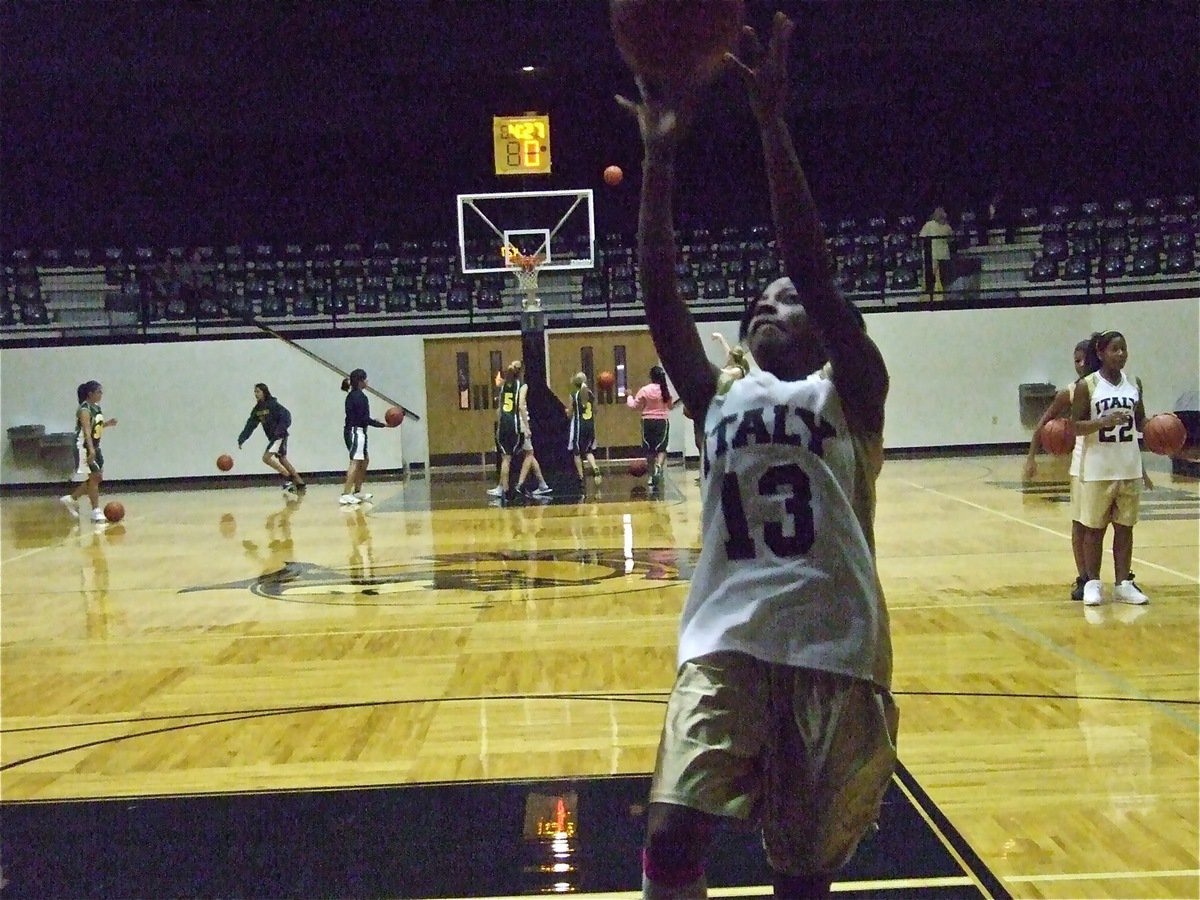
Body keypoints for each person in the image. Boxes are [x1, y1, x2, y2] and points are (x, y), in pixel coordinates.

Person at [618, 12, 897, 897]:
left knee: (802, 875)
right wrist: (660, 157)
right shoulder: (720, 397)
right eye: (756, 302)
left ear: (825, 322)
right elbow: (660, 296)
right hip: (725, 642)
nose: (769, 303)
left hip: (832, 646)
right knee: (670, 836)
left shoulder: (850, 389)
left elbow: (810, 267)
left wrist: (771, 121)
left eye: (788, 297)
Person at [1070, 330, 1151, 607]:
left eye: (1124, 349)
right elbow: (1075, 426)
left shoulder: (1134, 385)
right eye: (1115, 349)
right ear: (1101, 353)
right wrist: (1102, 423)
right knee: (1094, 529)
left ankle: (1123, 584)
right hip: (1097, 468)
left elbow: (1141, 425)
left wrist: (1164, 428)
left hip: (1128, 466)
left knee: (1125, 528)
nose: (1121, 354)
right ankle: (1093, 583)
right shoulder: (1087, 386)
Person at [1022, 339, 1094, 601]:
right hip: (1083, 465)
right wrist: (1031, 458)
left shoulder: (1110, 389)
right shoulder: (1070, 392)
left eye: (1083, 359)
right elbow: (1042, 424)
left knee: (1118, 526)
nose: (1079, 365)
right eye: (1075, 360)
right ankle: (1084, 576)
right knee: (1081, 524)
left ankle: (1122, 577)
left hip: (1113, 464)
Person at [61, 380, 119, 523]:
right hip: (84, 445)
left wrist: (107, 424)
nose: (101, 394)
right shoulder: (84, 409)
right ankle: (95, 510)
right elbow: (86, 430)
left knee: (97, 477)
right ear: (90, 393)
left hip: (94, 445)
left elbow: (95, 427)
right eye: (99, 391)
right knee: (95, 476)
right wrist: (91, 449)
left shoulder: (96, 408)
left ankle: (71, 498)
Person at [236, 383, 306, 494]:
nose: (256, 394)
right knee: (282, 459)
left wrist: (279, 430)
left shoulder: (273, 404)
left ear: (264, 392)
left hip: (279, 436)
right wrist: (242, 438)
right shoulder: (257, 409)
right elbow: (250, 425)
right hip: (273, 437)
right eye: (255, 392)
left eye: (258, 391)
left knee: (266, 458)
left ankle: (288, 477)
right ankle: (300, 483)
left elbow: (287, 416)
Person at [340, 368, 385, 506]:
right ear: (360, 381)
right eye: (365, 379)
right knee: (355, 462)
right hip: (355, 431)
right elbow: (364, 418)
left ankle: (357, 491)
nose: (367, 381)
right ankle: (346, 494)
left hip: (357, 431)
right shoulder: (359, 397)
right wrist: (380, 424)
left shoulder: (354, 395)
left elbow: (363, 418)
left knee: (364, 460)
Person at [627, 365, 676, 486]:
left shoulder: (645, 390)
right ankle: (659, 466)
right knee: (662, 448)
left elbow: (634, 406)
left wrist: (629, 395)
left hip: (647, 421)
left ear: (651, 377)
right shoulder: (665, 390)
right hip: (662, 421)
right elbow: (670, 407)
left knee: (649, 450)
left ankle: (650, 476)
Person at [567, 372, 602, 484]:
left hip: (579, 425)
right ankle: (595, 467)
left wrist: (567, 412)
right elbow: (595, 411)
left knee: (576, 452)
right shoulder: (590, 394)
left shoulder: (574, 395)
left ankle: (581, 477)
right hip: (590, 425)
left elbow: (570, 414)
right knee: (588, 450)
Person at [918, 206, 954, 296]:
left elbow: (951, 239)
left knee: (942, 277)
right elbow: (922, 238)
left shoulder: (947, 227)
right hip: (931, 255)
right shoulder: (929, 225)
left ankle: (940, 294)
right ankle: (928, 293)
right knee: (930, 275)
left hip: (943, 255)